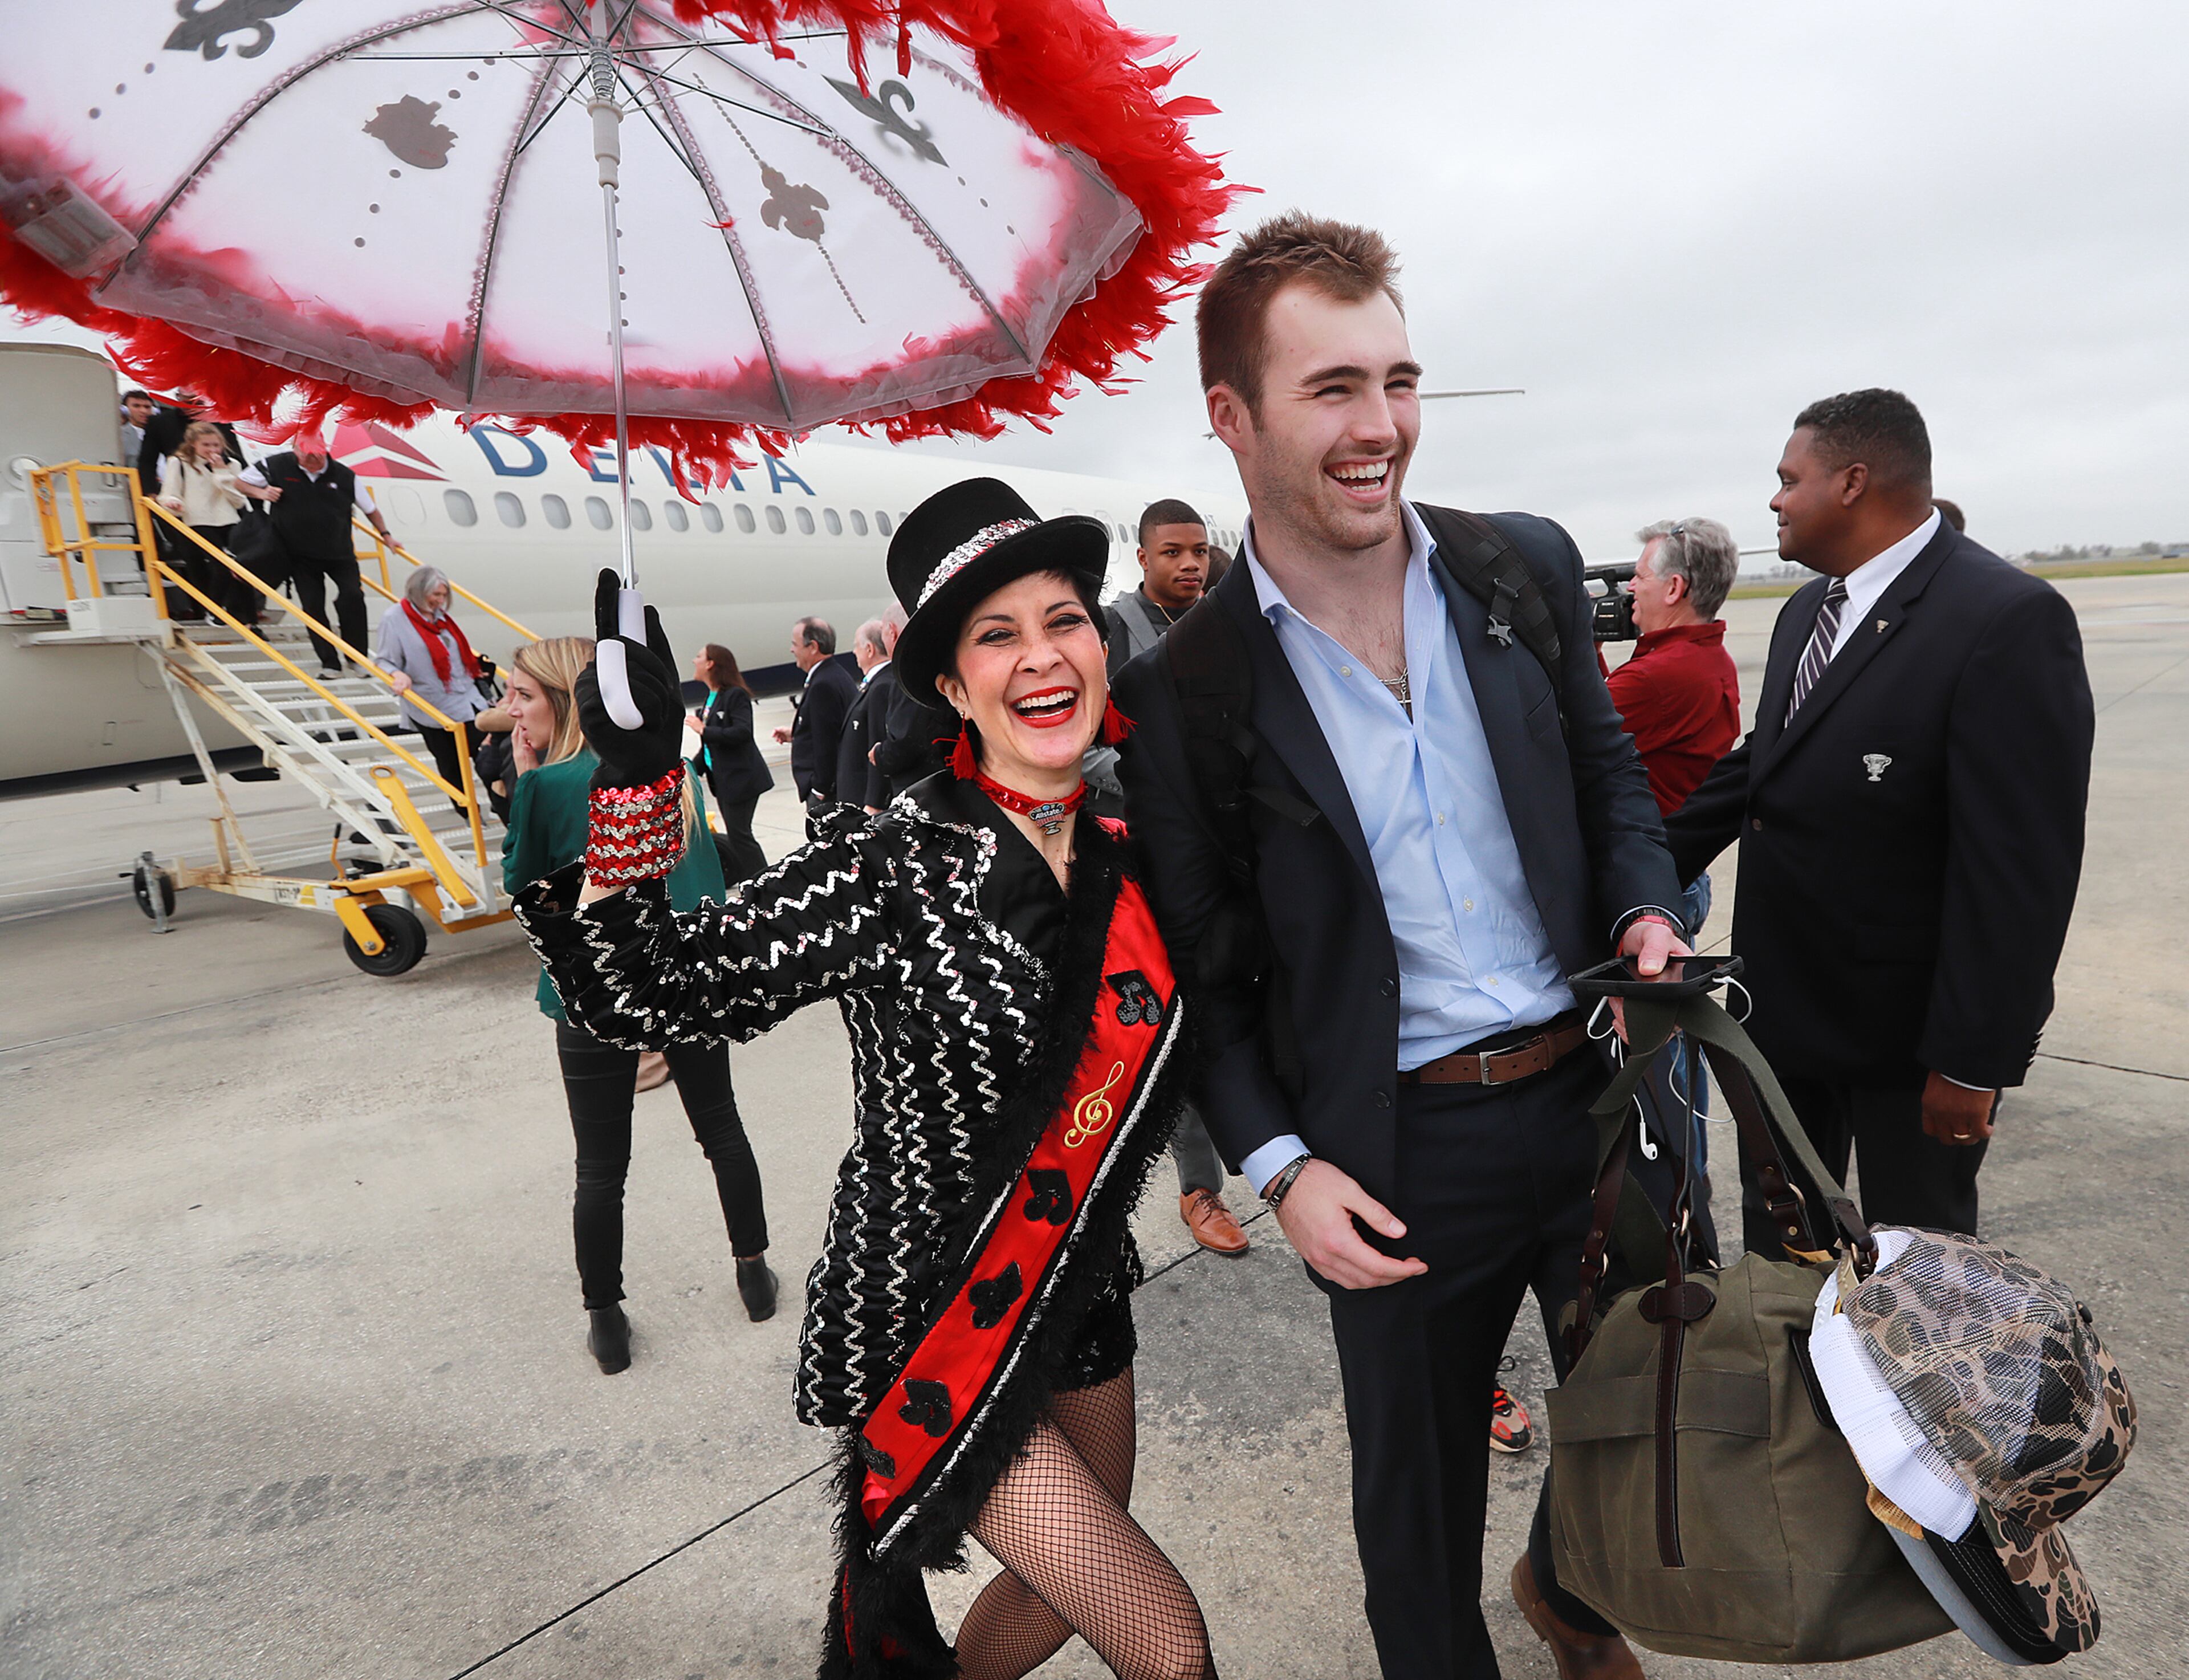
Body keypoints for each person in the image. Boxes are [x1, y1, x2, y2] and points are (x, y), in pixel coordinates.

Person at [1112, 213, 1688, 1680]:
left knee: (1649, 1433)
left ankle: (1570, 1593)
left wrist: (1645, 905)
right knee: (1416, 1530)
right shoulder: (1190, 688)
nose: (1381, 429)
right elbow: (1207, 980)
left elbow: (1609, 778)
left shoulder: (1518, 570)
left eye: (1399, 380)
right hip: (1392, 1159)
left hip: (1600, 1099)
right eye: (1332, 391)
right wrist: (1282, 1172)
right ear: (1231, 419)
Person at [511, 487, 1216, 1680]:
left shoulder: (1127, 844)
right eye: (997, 635)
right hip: (925, 1309)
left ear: (1103, 647)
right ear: (948, 685)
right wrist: (635, 786)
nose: (1042, 657)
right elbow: (650, 993)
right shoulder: (892, 860)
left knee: (1051, 1604)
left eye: (1065, 621)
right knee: (1168, 1641)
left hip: (1077, 1281)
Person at [1666, 389, 2093, 1247]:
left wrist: (1974, 1058)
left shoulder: (2004, 617)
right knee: (1787, 1262)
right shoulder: (1805, 612)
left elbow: (2018, 870)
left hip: (1913, 1046)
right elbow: (1763, 768)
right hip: (1783, 1017)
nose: (1776, 499)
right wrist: (1632, 855)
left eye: (1790, 479)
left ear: (1854, 481)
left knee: (1918, 1276)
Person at [499, 634, 776, 1372]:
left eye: (523, 694)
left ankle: (607, 1321)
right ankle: (753, 1276)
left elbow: (522, 881)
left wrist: (526, 780)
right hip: (680, 978)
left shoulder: (549, 786)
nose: (511, 709)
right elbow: (708, 876)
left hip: (589, 993)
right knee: (721, 1129)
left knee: (600, 1165)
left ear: (561, 699)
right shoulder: (671, 768)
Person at [1102, 499, 1248, 1258]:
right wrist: (1155, 785)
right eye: (1174, 552)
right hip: (1157, 857)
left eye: (1199, 550)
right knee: (1182, 1015)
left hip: (1236, 849)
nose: (1190, 563)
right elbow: (1085, 740)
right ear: (1144, 556)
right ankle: (1200, 1186)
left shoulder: (1226, 619)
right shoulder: (1112, 631)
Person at [1602, 516, 1743, 1202]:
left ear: (1676, 586)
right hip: (1680, 875)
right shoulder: (1704, 656)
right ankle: (1686, 1187)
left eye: (1640, 576)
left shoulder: (1662, 673)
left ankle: (1678, 1198)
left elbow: (1568, 730)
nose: (1629, 588)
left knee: (1659, 1058)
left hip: (1656, 886)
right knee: (1675, 1048)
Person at [239, 434, 393, 676]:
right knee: (313, 607)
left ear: (325, 451)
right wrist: (262, 493)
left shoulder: (344, 476)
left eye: (317, 455)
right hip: (300, 556)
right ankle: (330, 663)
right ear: (295, 451)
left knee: (352, 596)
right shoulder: (276, 465)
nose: (311, 460)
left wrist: (386, 535)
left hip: (339, 554)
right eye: (305, 455)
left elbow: (371, 510)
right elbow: (240, 483)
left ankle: (356, 657)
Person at [373, 566, 491, 793]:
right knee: (451, 767)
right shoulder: (394, 619)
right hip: (433, 706)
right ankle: (468, 812)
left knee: (489, 755)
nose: (441, 600)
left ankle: (501, 806)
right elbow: (384, 660)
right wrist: (398, 674)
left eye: (444, 595)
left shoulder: (440, 617)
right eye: (436, 595)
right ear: (418, 592)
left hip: (467, 698)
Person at [688, 641, 774, 882]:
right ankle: (756, 882)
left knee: (740, 836)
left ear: (711, 664)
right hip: (724, 782)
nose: (694, 661)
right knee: (739, 836)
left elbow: (742, 733)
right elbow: (710, 748)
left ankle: (765, 883)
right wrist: (690, 770)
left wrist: (704, 730)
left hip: (742, 779)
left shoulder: (735, 696)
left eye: (699, 656)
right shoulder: (711, 699)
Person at [155, 420, 251, 622]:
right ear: (193, 445)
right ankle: (213, 610)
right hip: (198, 521)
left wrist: (221, 472)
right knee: (218, 565)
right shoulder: (179, 462)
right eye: (206, 445)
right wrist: (173, 503)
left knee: (239, 567)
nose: (212, 450)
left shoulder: (232, 464)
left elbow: (238, 500)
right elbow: (169, 493)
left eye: (216, 445)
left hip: (229, 520)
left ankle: (244, 616)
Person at [772, 615, 858, 809]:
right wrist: (796, 734)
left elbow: (827, 742)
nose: (792, 650)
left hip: (826, 795)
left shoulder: (823, 685)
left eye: (795, 644)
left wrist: (820, 790)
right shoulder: (835, 675)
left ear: (813, 647)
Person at [834, 615, 900, 812]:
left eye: (857, 646)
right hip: (856, 796)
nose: (854, 652)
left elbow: (878, 741)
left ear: (870, 649)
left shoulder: (882, 686)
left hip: (864, 801)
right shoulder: (874, 684)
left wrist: (874, 802)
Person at [119, 389, 155, 469]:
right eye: (136, 406)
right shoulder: (119, 435)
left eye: (147, 407)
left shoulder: (162, 433)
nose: (143, 411)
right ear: (125, 410)